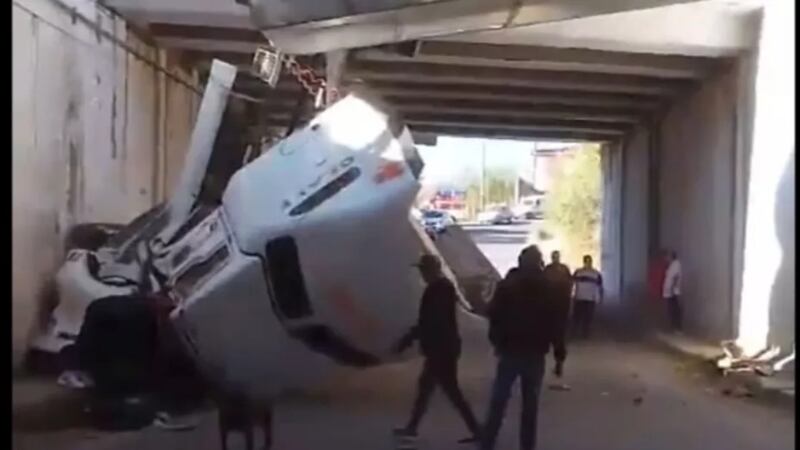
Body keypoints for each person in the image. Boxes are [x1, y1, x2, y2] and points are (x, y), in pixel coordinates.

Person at [481, 245, 568, 450]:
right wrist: (559, 355)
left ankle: (487, 443)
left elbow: (493, 314)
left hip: (510, 350)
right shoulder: (549, 288)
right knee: (530, 406)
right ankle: (527, 446)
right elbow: (557, 324)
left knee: (498, 401)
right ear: (539, 263)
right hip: (535, 353)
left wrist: (497, 341)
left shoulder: (508, 284)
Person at [392, 254, 481, 444]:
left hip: (442, 349)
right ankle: (412, 427)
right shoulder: (441, 288)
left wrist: (409, 338)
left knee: (450, 392)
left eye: (423, 270)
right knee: (428, 388)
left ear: (430, 270)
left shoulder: (439, 289)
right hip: (442, 348)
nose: (422, 274)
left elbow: (432, 321)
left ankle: (478, 430)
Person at [572, 255, 604, 338]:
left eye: (589, 261)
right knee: (577, 316)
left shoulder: (596, 273)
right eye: (586, 261)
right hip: (579, 297)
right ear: (584, 262)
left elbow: (600, 287)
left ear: (591, 262)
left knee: (588, 317)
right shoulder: (578, 272)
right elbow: (571, 284)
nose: (588, 263)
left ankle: (585, 333)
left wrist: (600, 298)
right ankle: (576, 332)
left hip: (590, 298)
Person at [544, 250, 573, 336]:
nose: (555, 258)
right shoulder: (547, 268)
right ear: (552, 258)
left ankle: (561, 334)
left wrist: (569, 292)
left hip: (563, 297)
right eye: (554, 257)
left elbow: (570, 280)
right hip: (551, 297)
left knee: (563, 317)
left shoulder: (564, 268)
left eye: (557, 257)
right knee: (552, 317)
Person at [663, 250, 683, 332]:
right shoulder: (671, 265)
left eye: (667, 256)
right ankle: (673, 327)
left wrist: (672, 289)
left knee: (674, 310)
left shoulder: (676, 264)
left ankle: (677, 328)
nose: (666, 258)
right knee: (670, 310)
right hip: (669, 291)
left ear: (671, 256)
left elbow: (676, 277)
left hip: (673, 291)